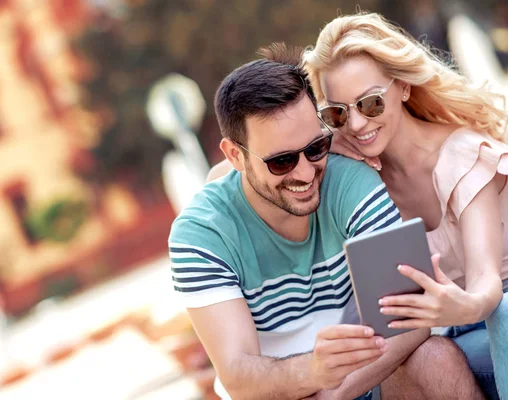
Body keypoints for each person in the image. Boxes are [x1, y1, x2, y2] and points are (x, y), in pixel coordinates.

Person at [302, 11, 508, 400]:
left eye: (370, 103)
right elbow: (246, 166)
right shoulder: (362, 182)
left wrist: (462, 304)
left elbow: (485, 287)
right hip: (474, 330)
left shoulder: (462, 153)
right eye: (339, 112)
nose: (356, 124)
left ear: (403, 88)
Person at [169, 44, 485, 400]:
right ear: (235, 156)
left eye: (316, 148)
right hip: (281, 392)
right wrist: (314, 372)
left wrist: (334, 391)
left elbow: (412, 322)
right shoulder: (201, 234)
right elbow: (240, 377)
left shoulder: (351, 182)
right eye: (282, 161)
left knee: (436, 359)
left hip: (366, 373)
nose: (306, 173)